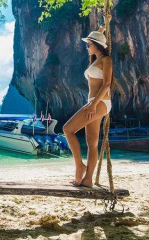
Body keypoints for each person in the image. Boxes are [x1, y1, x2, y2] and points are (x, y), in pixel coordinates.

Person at [63, 29, 113, 188]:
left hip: (100, 102)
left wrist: (93, 104)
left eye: (89, 45)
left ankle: (79, 166)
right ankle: (88, 179)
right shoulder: (96, 59)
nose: (87, 47)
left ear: (97, 46)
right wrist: (100, 30)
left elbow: (106, 84)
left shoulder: (106, 60)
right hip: (95, 101)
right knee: (92, 143)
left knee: (67, 129)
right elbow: (95, 40)